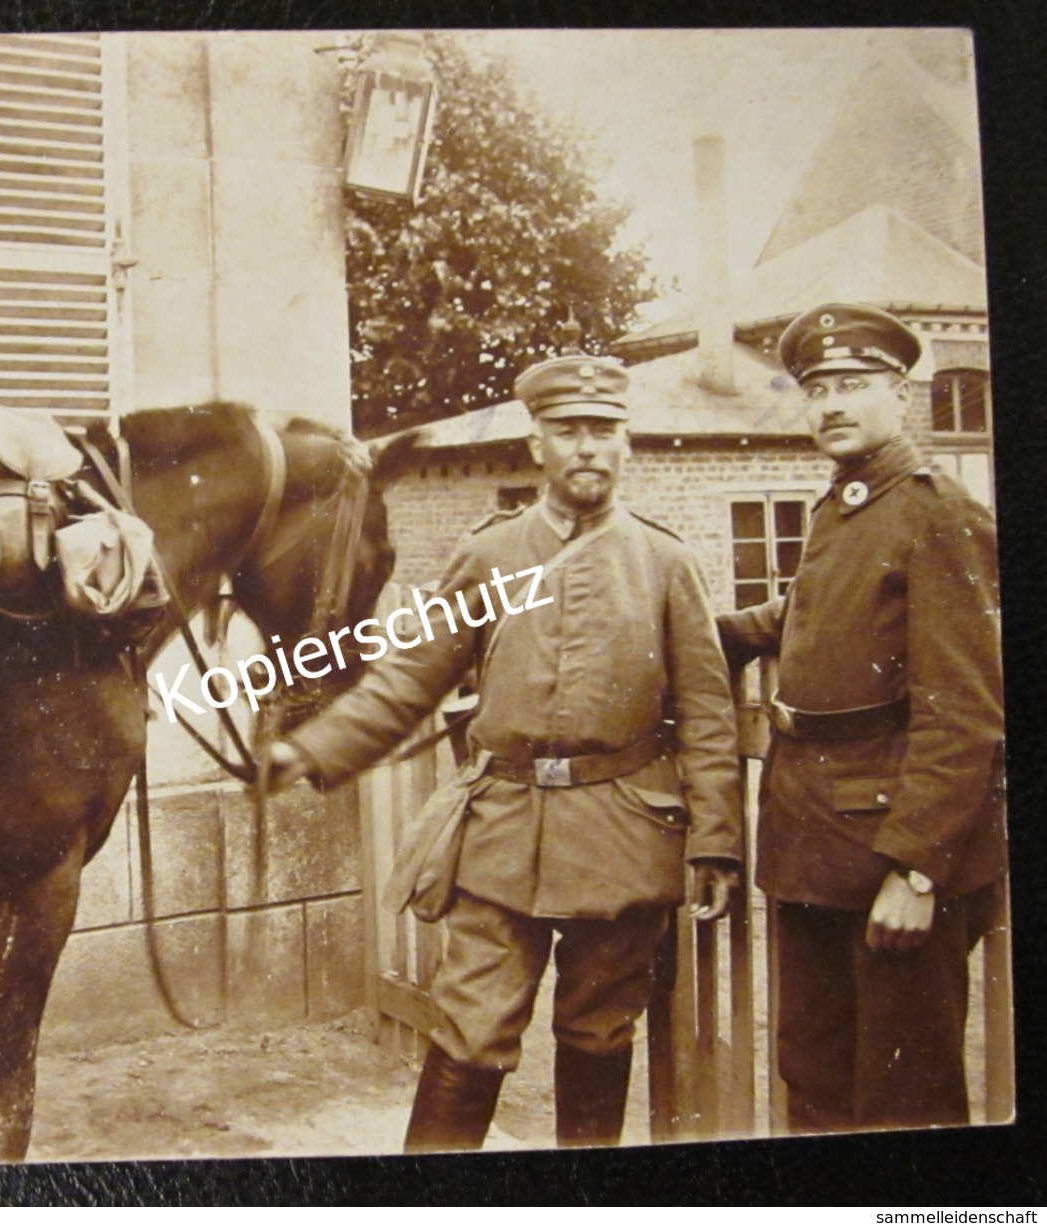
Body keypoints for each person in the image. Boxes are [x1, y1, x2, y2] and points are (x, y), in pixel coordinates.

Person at [267, 350, 743, 1151]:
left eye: (603, 431)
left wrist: (717, 842)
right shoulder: (491, 554)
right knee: (469, 1028)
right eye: (568, 432)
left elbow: (706, 710)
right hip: (499, 833)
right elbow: (410, 677)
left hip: (623, 835)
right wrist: (312, 750)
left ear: (626, 445)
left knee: (597, 1032)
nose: (587, 448)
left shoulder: (665, 563)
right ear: (537, 447)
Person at [717, 303, 1006, 1133]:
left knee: (902, 1100)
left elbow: (964, 714)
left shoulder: (936, 512)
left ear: (901, 396)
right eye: (816, 390)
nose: (832, 404)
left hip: (890, 852)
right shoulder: (842, 506)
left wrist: (916, 871)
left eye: (852, 385)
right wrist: (696, 637)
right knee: (812, 1079)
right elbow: (808, 613)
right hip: (810, 844)